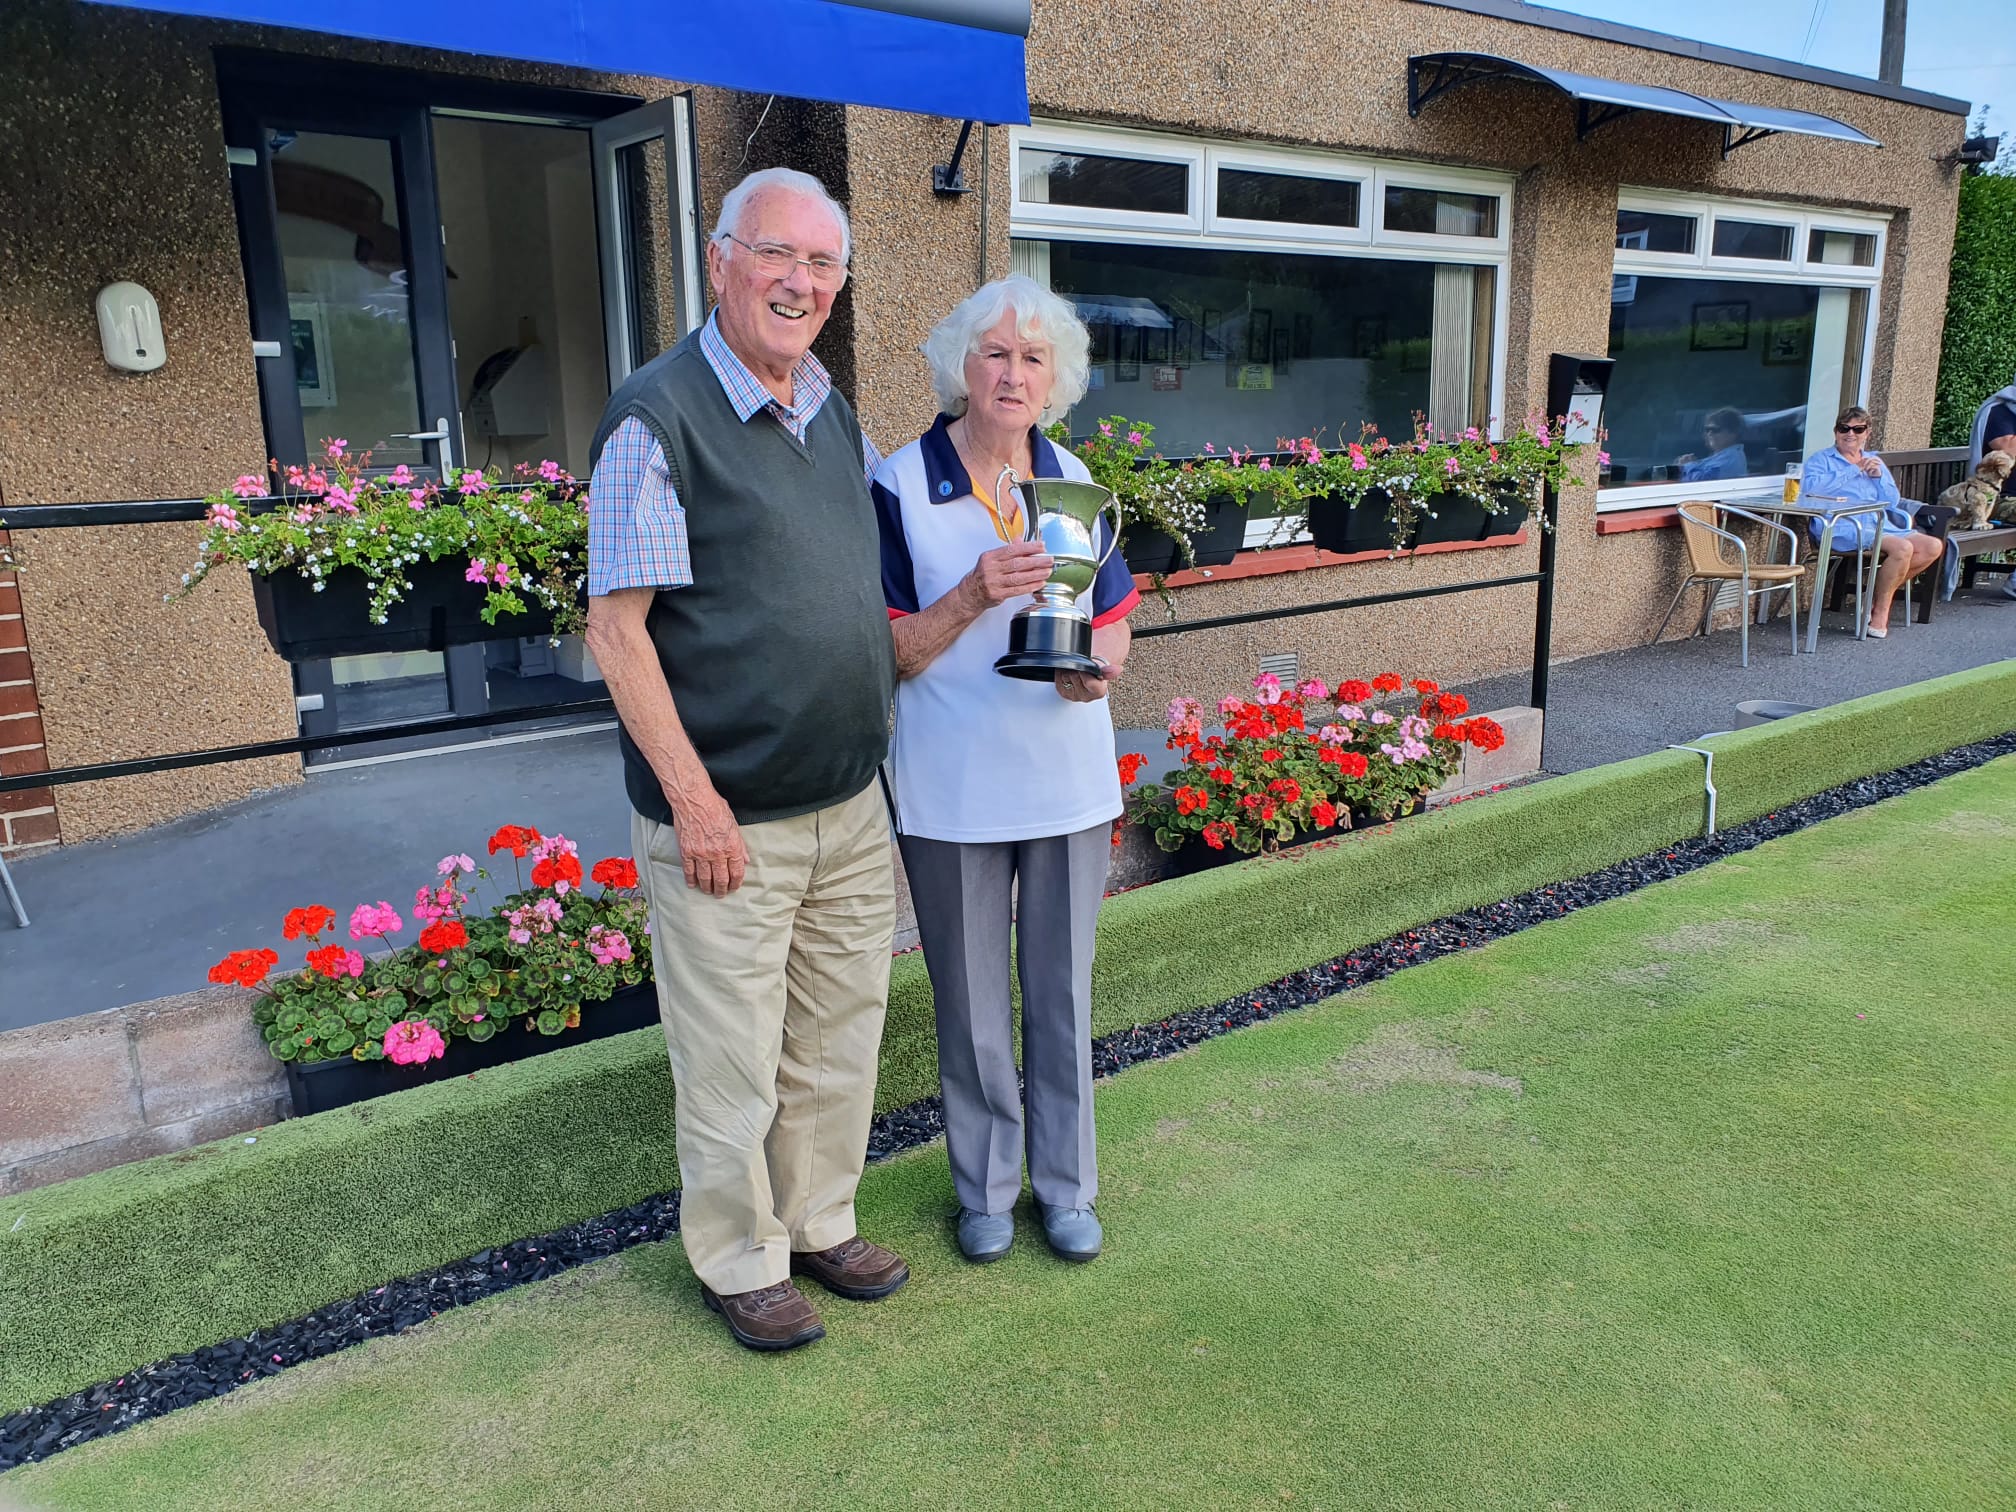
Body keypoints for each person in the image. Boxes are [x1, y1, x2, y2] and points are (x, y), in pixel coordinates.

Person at [583, 167, 905, 1353]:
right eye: (777, 254)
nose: (800, 283)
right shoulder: (657, 418)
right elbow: (617, 632)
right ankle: (740, 1257)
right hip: (727, 820)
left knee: (834, 1038)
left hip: (845, 803)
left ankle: (818, 1222)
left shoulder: (828, 408)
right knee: (730, 1063)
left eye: (822, 264)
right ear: (721, 260)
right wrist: (696, 802)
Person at [871, 275, 1139, 1265]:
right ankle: (984, 1190)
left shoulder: (1075, 478)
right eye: (995, 354)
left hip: (1067, 779)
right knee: (973, 1007)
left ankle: (1067, 1188)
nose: (1013, 375)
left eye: (1033, 358)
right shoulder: (900, 484)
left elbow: (1114, 623)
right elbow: (888, 651)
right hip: (951, 788)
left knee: (1062, 998)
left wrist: (1094, 671)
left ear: (1055, 376)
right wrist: (972, 594)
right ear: (962, 366)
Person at [1799, 405, 1943, 638]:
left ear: (1867, 433)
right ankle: (1880, 612)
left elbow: (1892, 501)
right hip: (1841, 526)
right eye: (1844, 428)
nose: (1850, 434)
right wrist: (1853, 470)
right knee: (1902, 548)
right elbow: (1810, 491)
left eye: (1858, 429)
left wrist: (1878, 478)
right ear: (1835, 431)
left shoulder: (1874, 460)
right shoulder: (1821, 460)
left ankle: (1875, 599)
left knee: (1933, 546)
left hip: (1877, 525)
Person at [1677, 407, 1749, 483]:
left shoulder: (1730, 460)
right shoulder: (1721, 457)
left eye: (1715, 430)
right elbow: (1676, 477)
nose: (1709, 433)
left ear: (1733, 433)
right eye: (1707, 430)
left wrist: (1688, 465)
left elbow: (1701, 482)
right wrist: (1681, 466)